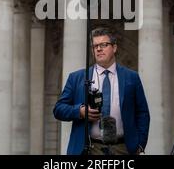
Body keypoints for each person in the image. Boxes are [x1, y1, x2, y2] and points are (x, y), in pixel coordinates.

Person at [54, 27, 150, 155]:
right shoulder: (77, 78)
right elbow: (58, 109)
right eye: (95, 46)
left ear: (114, 48)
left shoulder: (131, 77)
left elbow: (142, 113)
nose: (99, 49)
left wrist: (140, 145)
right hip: (89, 148)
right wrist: (79, 111)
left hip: (123, 148)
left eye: (104, 45)